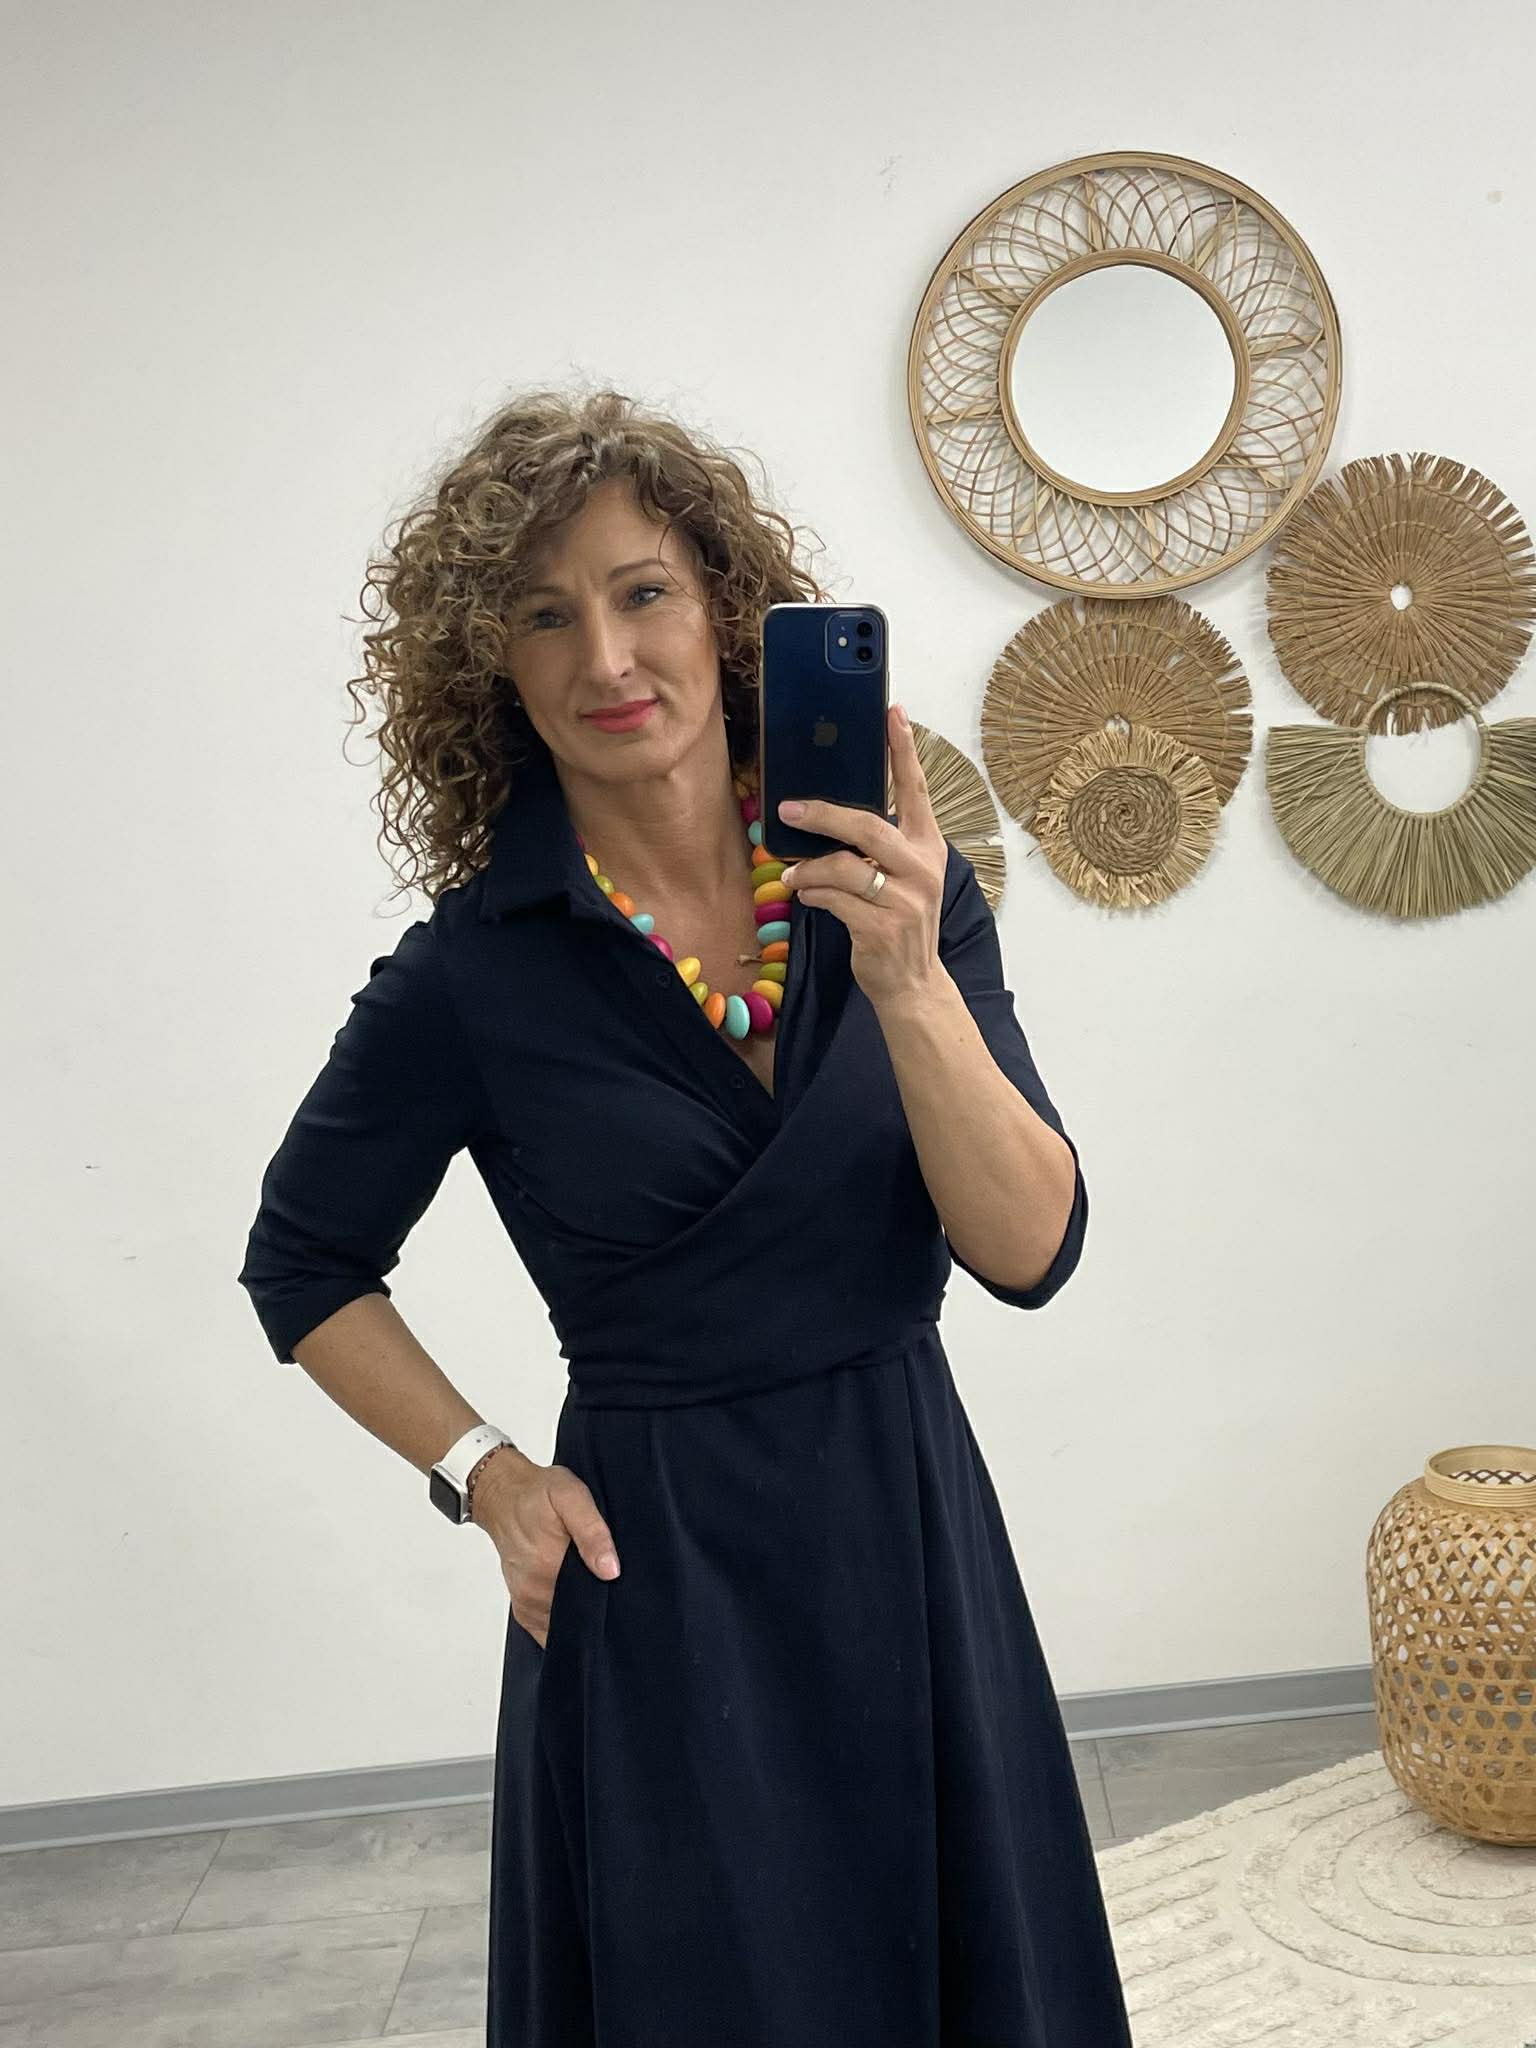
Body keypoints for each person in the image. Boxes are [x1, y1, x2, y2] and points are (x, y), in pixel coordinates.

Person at [236, 387, 1132, 2047]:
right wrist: (487, 1476)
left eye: (642, 591)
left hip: (910, 1528)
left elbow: (1029, 1251)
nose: (606, 657)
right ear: (492, 672)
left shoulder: (897, 889)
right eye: (543, 616)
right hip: (662, 1580)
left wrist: (910, 979)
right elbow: (302, 1262)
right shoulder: (472, 974)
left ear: (724, 609)